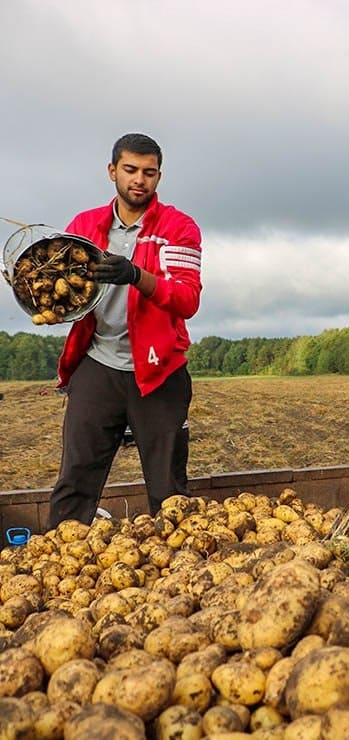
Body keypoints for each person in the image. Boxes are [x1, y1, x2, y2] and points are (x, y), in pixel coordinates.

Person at [48, 133, 202, 528]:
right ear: (112, 171)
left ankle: (180, 572)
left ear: (159, 177)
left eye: (149, 173)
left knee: (169, 489)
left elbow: (187, 300)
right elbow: (63, 290)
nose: (140, 180)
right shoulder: (84, 226)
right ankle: (56, 560)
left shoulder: (178, 228)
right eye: (131, 170)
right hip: (98, 365)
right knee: (75, 479)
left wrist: (135, 275)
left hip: (159, 371)